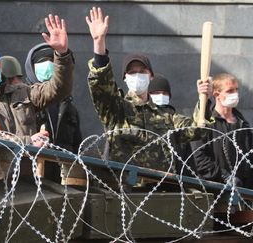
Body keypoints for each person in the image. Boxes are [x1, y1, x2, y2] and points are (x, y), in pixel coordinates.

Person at [85, 7, 212, 173]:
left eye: (142, 71)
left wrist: (205, 98)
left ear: (151, 76)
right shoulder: (116, 110)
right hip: (126, 189)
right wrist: (99, 44)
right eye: (131, 72)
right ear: (124, 78)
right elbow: (100, 84)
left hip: (160, 189)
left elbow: (198, 130)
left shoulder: (167, 116)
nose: (137, 75)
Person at [0, 14, 74, 182]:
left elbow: (58, 90)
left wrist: (62, 55)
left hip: (27, 180)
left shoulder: (22, 92)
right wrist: (28, 142)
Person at [25, 43, 83, 185]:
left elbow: (78, 146)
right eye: (41, 62)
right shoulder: (25, 102)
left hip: (63, 178)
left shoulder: (69, 107)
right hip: (32, 177)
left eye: (52, 61)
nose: (47, 65)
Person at [191, 73, 253, 189]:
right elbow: (199, 157)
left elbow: (250, 161)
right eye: (230, 91)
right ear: (217, 94)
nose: (235, 94)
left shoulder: (242, 124)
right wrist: (224, 176)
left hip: (241, 191)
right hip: (212, 189)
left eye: (236, 90)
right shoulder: (206, 122)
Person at [148, 74, 196, 176]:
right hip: (143, 177)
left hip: (172, 178)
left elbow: (194, 129)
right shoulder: (140, 118)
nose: (161, 96)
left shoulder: (175, 119)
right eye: (156, 93)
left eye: (165, 93)